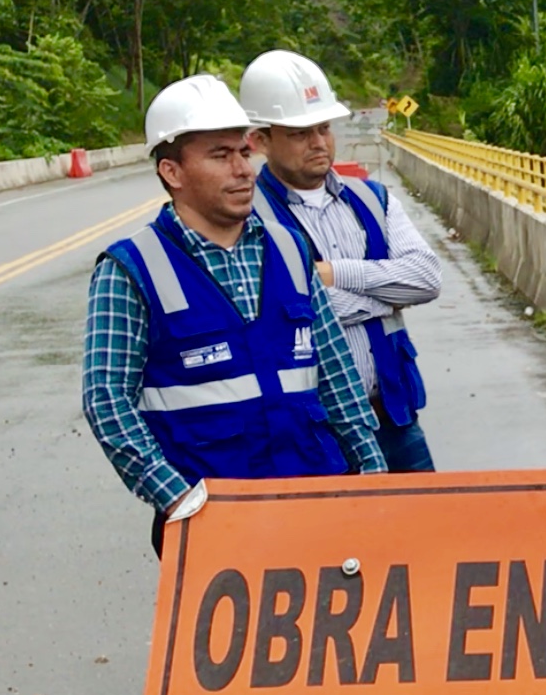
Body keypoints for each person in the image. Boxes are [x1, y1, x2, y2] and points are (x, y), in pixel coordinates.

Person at [82, 75, 386, 555]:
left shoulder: (288, 248)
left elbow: (337, 377)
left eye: (244, 152)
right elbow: (107, 403)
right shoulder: (132, 269)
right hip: (212, 520)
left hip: (316, 499)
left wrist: (372, 474)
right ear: (173, 172)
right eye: (220, 156)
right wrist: (178, 500)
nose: (243, 169)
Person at [240, 50, 442, 472]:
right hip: (312, 432)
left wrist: (338, 275)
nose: (319, 143)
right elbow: (283, 314)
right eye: (300, 133)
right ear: (260, 140)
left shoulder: (372, 198)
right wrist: (388, 298)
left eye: (324, 128)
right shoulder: (248, 219)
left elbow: (425, 279)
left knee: (422, 536)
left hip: (395, 419)